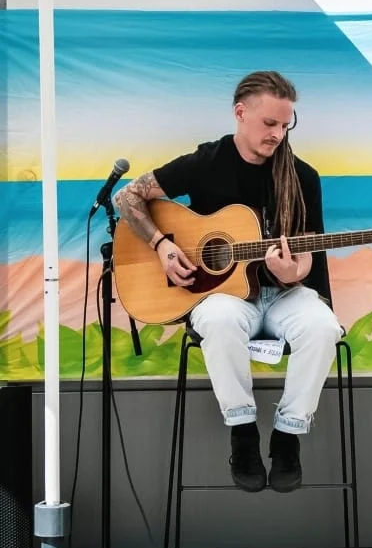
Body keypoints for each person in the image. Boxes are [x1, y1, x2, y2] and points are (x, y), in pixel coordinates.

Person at [113, 70, 342, 494]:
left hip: (284, 296)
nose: (277, 134)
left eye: (285, 125)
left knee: (323, 327)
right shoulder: (207, 162)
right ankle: (243, 433)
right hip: (224, 298)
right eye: (269, 123)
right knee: (218, 320)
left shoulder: (302, 177)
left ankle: (289, 435)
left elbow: (307, 254)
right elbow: (126, 197)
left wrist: (293, 272)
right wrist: (162, 245)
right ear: (240, 113)